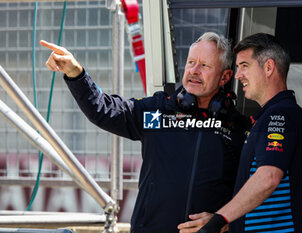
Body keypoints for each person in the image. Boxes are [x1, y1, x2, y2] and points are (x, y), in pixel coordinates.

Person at [40, 32, 248, 233]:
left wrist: (224, 221)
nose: (194, 70)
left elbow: (257, 193)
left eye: (204, 65)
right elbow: (103, 110)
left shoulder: (238, 128)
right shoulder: (156, 111)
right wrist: (76, 73)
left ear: (225, 77)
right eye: (191, 62)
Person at [178, 33, 302, 233]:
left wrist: (218, 220)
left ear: (268, 67)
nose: (238, 74)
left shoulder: (281, 114)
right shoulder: (271, 116)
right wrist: (226, 222)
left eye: (244, 66)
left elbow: (268, 176)